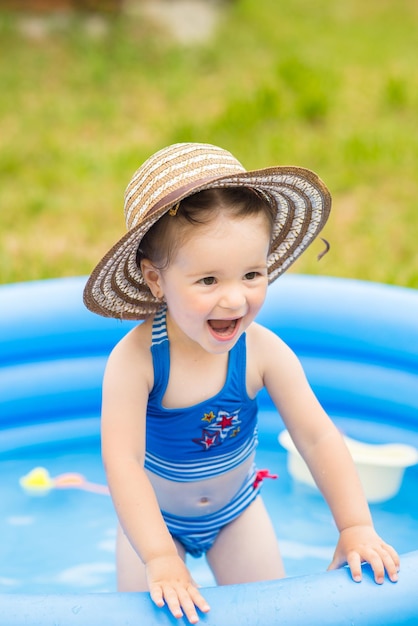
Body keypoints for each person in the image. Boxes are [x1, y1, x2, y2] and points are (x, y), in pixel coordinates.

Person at [83, 142, 400, 623]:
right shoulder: (137, 361)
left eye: (252, 274)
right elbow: (122, 462)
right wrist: (160, 557)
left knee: (269, 614)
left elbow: (316, 437)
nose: (234, 299)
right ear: (154, 281)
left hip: (236, 513)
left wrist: (355, 526)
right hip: (153, 526)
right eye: (208, 281)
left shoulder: (261, 351)